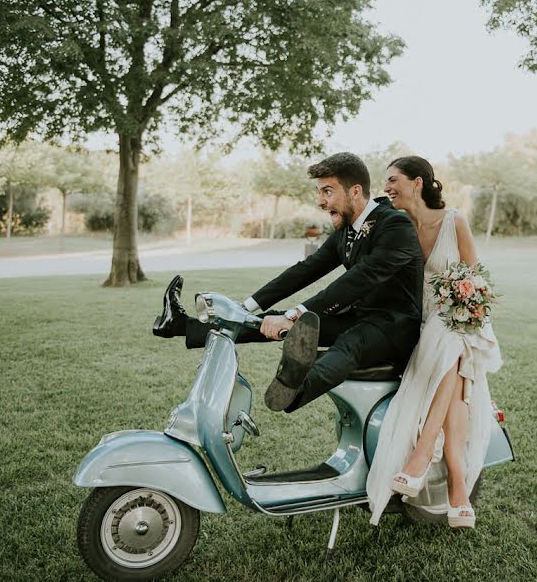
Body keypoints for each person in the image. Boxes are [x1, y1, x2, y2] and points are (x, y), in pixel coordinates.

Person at [152, 152, 424, 413]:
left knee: (349, 343)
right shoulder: (346, 230)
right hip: (360, 316)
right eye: (319, 192)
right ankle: (179, 325)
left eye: (327, 191)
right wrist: (245, 307)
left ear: (355, 191)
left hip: (394, 327)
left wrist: (295, 315)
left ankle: (296, 389)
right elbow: (304, 271)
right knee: (269, 320)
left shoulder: (395, 225)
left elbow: (359, 279)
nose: (320, 201)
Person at [365, 156, 503, 528]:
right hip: (421, 324)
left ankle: (423, 452)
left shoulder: (454, 221)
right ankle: (458, 488)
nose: (387, 187)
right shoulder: (397, 226)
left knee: (453, 339)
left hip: (460, 317)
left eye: (393, 180)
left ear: (417, 183)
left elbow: (477, 279)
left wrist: (464, 302)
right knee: (456, 362)